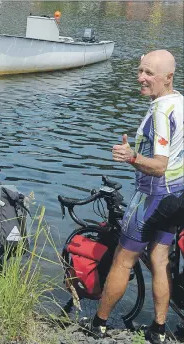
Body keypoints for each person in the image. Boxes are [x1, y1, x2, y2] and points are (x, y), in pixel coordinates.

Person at [79, 49, 183, 344]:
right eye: (140, 71)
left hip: (155, 196)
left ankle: (98, 324)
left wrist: (132, 157)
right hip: (178, 195)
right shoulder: (179, 102)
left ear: (168, 77)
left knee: (123, 261)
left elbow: (160, 166)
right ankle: (159, 330)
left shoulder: (162, 110)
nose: (141, 78)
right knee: (160, 259)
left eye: (149, 73)